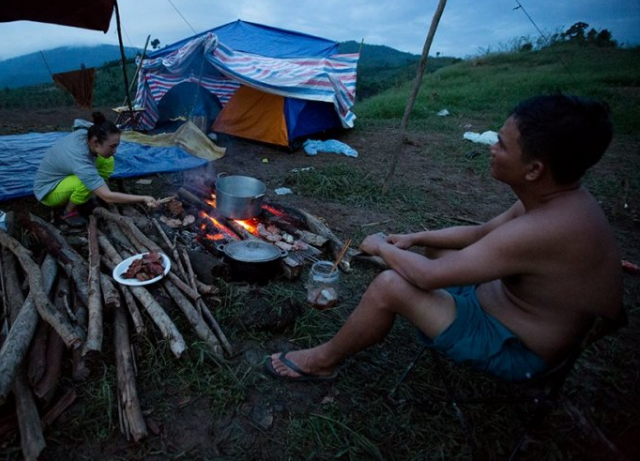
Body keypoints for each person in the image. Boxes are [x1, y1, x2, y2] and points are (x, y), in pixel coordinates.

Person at [266, 94, 624, 383]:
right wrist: (413, 238)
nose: (492, 148)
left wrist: (378, 247)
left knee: (391, 285)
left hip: (515, 347)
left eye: (501, 144)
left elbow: (426, 277)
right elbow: (480, 234)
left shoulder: (545, 230)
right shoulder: (556, 198)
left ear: (534, 170)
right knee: (437, 245)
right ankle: (408, 293)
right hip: (499, 304)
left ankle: (322, 361)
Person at [33, 111, 158, 226]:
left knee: (107, 160)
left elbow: (80, 123)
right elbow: (107, 196)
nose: (115, 151)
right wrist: (143, 198)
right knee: (84, 182)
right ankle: (67, 213)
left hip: (66, 174)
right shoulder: (80, 159)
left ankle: (93, 193)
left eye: (117, 146)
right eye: (112, 146)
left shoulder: (87, 132)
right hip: (49, 190)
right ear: (95, 142)